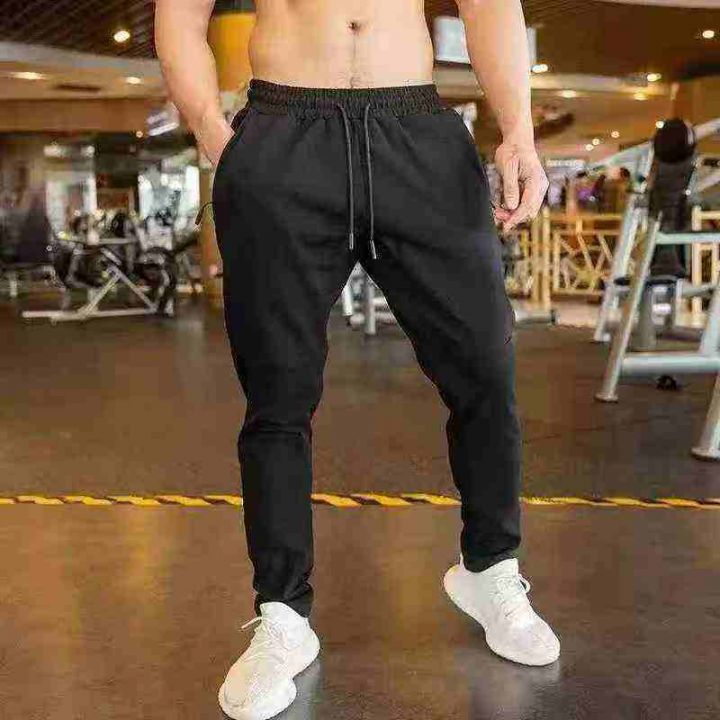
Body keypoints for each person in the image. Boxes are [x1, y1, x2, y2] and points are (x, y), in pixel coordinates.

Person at [155, 1, 560, 718]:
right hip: (283, 130)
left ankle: (490, 567)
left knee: (485, 370)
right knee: (278, 395)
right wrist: (217, 133)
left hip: (417, 134)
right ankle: (283, 613)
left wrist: (519, 131)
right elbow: (180, 15)